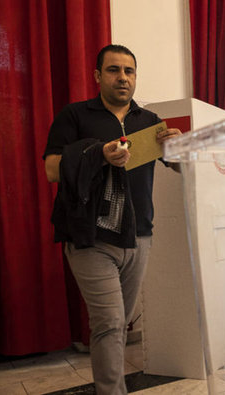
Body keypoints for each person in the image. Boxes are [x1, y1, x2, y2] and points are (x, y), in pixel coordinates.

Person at [43, 44, 182, 395]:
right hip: (91, 237)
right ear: (97, 75)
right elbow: (51, 169)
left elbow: (180, 166)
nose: (122, 77)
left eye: (129, 71)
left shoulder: (149, 121)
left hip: (138, 237)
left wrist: (181, 148)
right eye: (113, 70)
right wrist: (99, 154)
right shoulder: (74, 115)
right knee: (109, 322)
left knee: (119, 324)